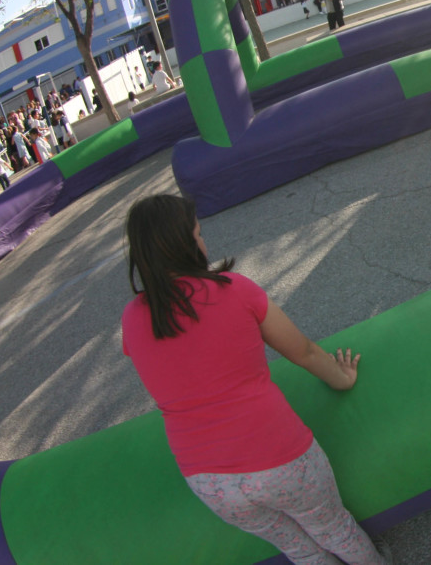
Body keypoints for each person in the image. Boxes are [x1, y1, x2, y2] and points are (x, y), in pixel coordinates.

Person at [121, 195, 385, 565]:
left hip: (208, 481)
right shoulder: (232, 289)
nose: (203, 241)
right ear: (184, 243)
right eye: (198, 234)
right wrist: (342, 379)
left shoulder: (132, 318)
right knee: (334, 529)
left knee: (300, 549)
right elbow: (303, 351)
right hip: (279, 456)